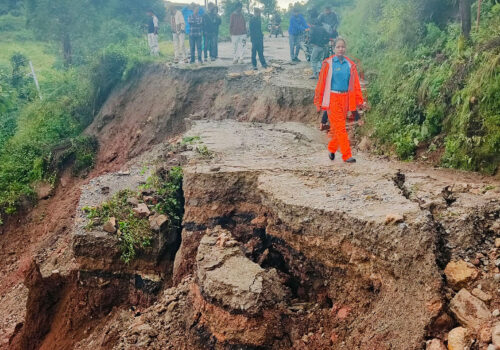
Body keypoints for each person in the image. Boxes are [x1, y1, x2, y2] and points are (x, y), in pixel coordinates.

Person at [314, 38, 365, 163]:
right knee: (341, 127)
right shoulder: (329, 63)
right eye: (338, 47)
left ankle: (332, 148)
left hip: (346, 98)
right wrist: (319, 100)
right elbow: (321, 83)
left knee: (338, 127)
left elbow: (355, 85)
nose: (341, 49)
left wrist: (359, 101)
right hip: (333, 98)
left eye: (342, 47)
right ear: (334, 48)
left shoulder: (350, 65)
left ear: (345, 48)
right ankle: (347, 155)